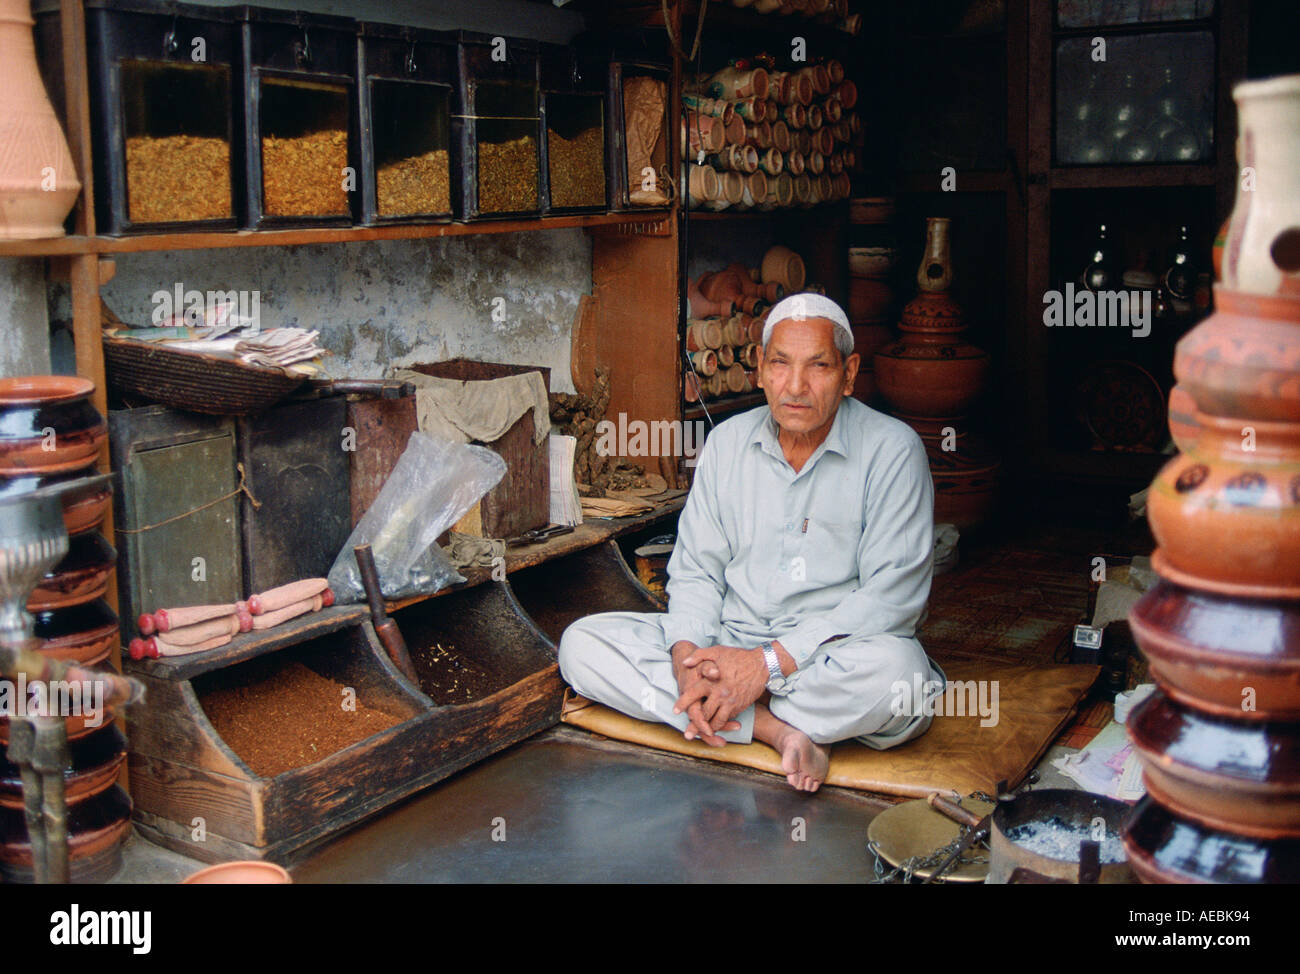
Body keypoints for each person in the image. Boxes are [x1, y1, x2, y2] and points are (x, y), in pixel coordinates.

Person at [558, 293, 945, 793]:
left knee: (902, 678)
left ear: (849, 374)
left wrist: (764, 666)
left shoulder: (892, 450)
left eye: (818, 366)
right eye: (780, 364)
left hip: (825, 659)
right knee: (582, 645)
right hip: (727, 643)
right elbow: (697, 571)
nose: (796, 386)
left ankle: (722, 712)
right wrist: (688, 659)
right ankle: (776, 730)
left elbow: (893, 599)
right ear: (759, 368)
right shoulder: (727, 443)